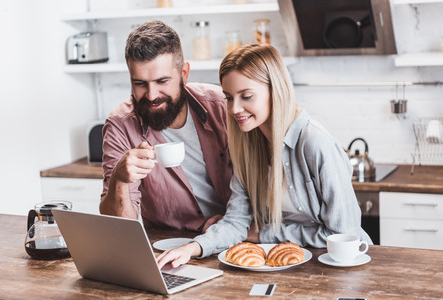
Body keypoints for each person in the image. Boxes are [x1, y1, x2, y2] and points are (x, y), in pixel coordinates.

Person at [157, 43, 372, 268]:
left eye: (246, 96)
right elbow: (235, 223)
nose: (234, 109)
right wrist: (191, 248)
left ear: (275, 90)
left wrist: (264, 235)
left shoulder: (315, 143)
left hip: (338, 266)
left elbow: (345, 234)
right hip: (284, 265)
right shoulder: (248, 145)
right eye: (229, 97)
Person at [99, 20, 233, 231]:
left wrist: (231, 226)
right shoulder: (120, 125)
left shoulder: (221, 106)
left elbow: (258, 178)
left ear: (184, 74)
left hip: (237, 238)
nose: (151, 95)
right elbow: (120, 230)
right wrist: (119, 179)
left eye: (162, 81)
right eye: (140, 83)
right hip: (168, 247)